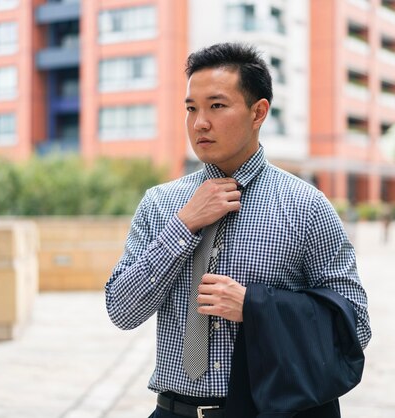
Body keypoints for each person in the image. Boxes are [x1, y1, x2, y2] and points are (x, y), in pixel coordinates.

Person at [105, 43, 371, 418]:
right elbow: (122, 310)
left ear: (258, 112)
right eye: (191, 108)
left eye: (216, 106)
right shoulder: (160, 204)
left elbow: (355, 325)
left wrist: (254, 306)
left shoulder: (306, 206)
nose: (199, 123)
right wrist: (184, 225)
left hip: (268, 411)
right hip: (172, 410)